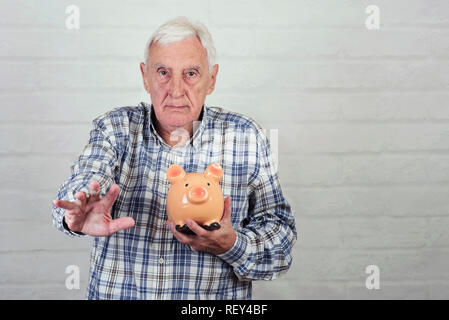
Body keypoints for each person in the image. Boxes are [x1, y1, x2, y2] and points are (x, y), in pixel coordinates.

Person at [52, 16, 297, 300]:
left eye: (191, 73)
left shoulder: (246, 135)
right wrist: (77, 210)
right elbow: (86, 178)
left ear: (212, 79)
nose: (177, 90)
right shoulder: (114, 129)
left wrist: (232, 244)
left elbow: (282, 243)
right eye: (163, 72)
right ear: (145, 76)